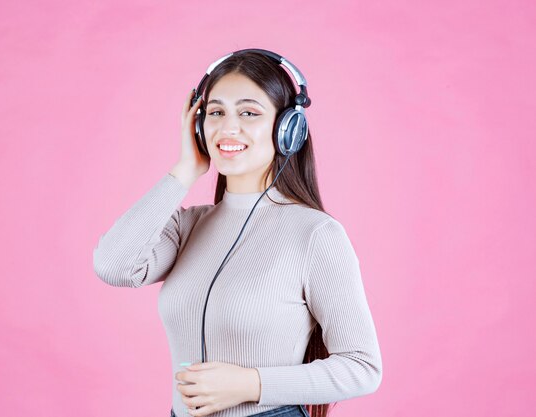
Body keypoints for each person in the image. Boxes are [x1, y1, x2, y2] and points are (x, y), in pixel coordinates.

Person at [93, 49, 383, 417]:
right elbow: (113, 266)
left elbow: (363, 367)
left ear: (288, 128)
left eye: (249, 112)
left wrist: (250, 384)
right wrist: (185, 170)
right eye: (216, 113)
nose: (228, 128)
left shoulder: (315, 234)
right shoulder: (188, 226)